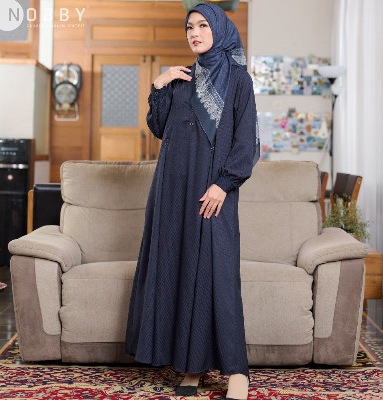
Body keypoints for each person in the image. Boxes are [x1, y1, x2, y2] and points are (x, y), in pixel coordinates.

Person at [125, 2, 260, 400]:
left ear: (219, 28)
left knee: (218, 276)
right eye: (189, 27)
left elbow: (246, 140)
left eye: (203, 25)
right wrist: (159, 84)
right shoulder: (182, 78)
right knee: (180, 270)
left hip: (213, 192)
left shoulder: (238, 79)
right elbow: (159, 128)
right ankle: (191, 368)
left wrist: (224, 184)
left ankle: (237, 372)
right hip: (172, 190)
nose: (195, 33)